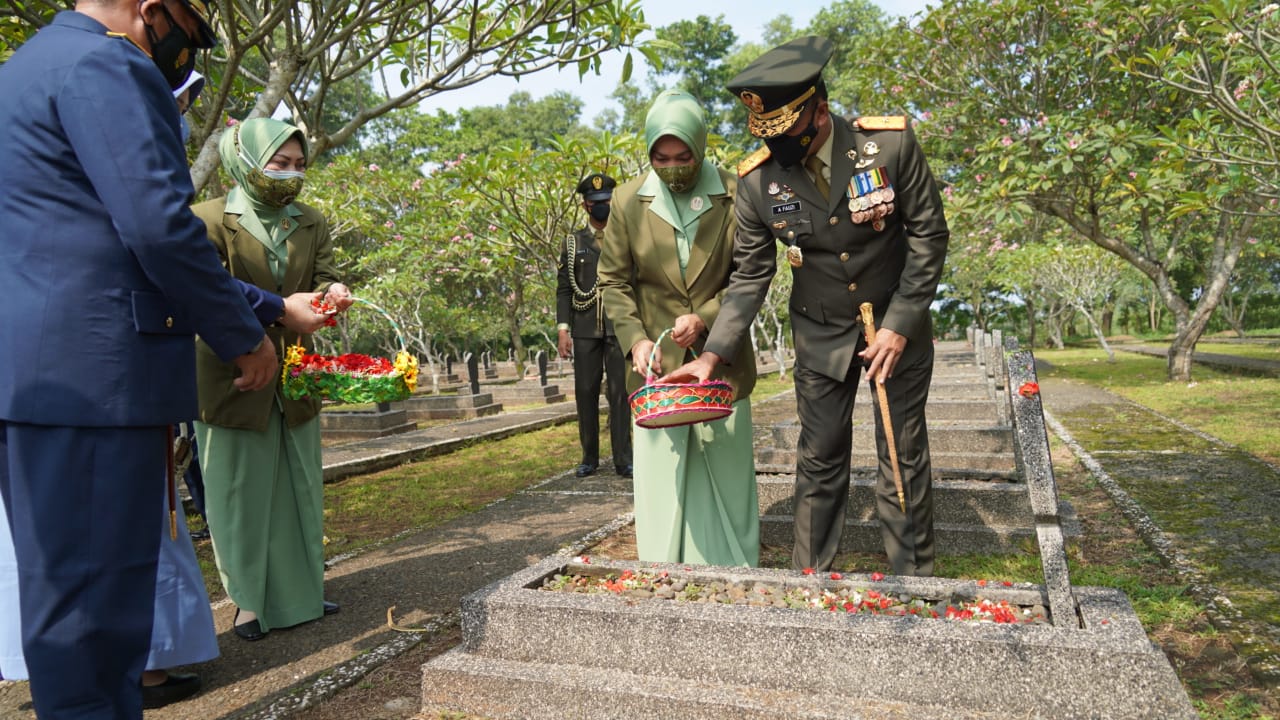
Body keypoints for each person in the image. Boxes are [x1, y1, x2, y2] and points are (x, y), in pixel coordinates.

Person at [0, 0, 279, 717]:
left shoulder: (22, 69)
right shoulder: (108, 64)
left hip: (34, 377)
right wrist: (243, 336)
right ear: (153, 11)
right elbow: (157, 228)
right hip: (95, 378)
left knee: (63, 602)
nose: (185, 50)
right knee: (97, 619)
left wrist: (267, 307)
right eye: (188, 30)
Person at [663, 36, 950, 577]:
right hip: (820, 334)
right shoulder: (756, 179)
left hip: (896, 326)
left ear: (820, 108)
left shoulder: (888, 146)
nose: (782, 149)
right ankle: (811, 581)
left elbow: (929, 237)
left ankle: (915, 580)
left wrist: (899, 325)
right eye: (768, 136)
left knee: (901, 455)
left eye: (789, 133)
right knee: (819, 459)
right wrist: (712, 356)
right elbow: (751, 274)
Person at [192, 117, 353, 642]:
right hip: (234, 372)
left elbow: (323, 275)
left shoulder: (309, 221)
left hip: (296, 376)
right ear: (244, 159)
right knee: (239, 490)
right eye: (279, 163)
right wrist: (280, 313)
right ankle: (247, 603)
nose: (290, 175)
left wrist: (335, 292)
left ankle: (302, 592)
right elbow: (208, 292)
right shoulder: (208, 220)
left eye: (299, 165)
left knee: (299, 487)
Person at [597, 90, 760, 567]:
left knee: (727, 469)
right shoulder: (628, 200)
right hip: (656, 369)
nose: (672, 166)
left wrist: (705, 317)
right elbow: (613, 280)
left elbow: (748, 275)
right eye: (660, 157)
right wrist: (636, 341)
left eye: (682, 155)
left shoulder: (735, 194)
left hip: (721, 360)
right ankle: (664, 567)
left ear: (701, 146)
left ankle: (734, 565)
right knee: (663, 476)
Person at [556, 173, 633, 479]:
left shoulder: (626, 236)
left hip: (618, 327)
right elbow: (564, 288)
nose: (602, 208)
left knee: (620, 393)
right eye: (596, 203)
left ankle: (623, 459)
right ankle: (589, 457)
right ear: (586, 205)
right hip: (585, 328)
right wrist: (563, 328)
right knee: (585, 391)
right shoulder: (574, 242)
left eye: (607, 203)